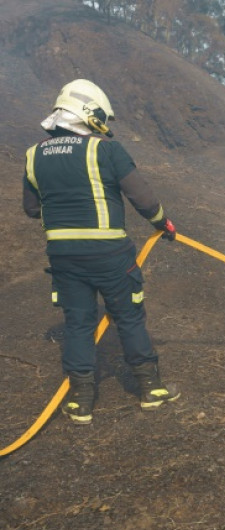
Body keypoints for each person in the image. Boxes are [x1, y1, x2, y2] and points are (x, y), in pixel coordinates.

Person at [22, 79, 180, 425]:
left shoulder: (34, 155)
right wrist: (162, 223)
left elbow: (32, 209)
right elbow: (143, 198)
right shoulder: (106, 151)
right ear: (89, 114)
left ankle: (80, 401)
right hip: (110, 254)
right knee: (129, 316)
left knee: (78, 323)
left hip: (63, 257)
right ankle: (150, 389)